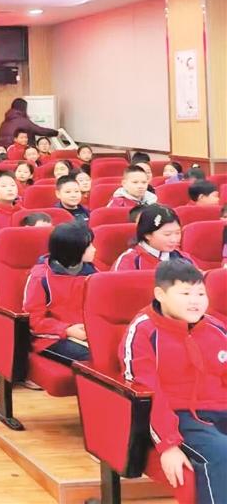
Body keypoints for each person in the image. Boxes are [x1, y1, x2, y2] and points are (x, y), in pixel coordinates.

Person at [119, 260, 227, 503]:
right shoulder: (143, 331)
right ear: (160, 295)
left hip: (219, 408)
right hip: (180, 416)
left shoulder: (215, 327)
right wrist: (168, 444)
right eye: (185, 294)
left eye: (200, 294)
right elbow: (147, 394)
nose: (195, 301)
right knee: (222, 452)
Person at [24, 222, 97, 365]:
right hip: (51, 337)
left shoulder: (94, 273)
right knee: (92, 357)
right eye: (89, 246)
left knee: (112, 352)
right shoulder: (40, 277)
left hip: (88, 332)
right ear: (73, 250)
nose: (94, 249)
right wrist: (67, 330)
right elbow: (33, 320)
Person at [114, 205, 194, 271]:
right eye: (167, 234)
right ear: (147, 234)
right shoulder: (129, 261)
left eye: (177, 233)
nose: (174, 239)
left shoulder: (184, 258)